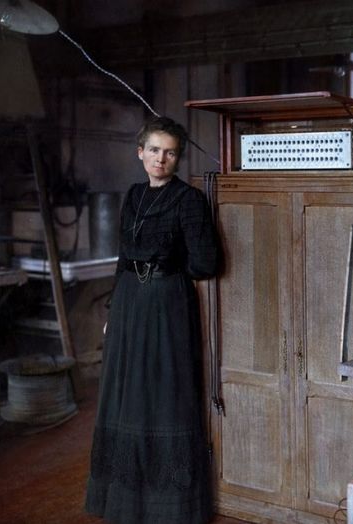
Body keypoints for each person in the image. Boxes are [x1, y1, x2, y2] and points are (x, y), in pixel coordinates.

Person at [85, 116, 220, 524]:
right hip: (129, 302)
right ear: (140, 152)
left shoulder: (189, 200)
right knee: (126, 393)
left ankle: (167, 508)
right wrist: (114, 312)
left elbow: (207, 263)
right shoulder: (133, 195)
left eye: (170, 152)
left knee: (163, 393)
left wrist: (165, 265)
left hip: (166, 303)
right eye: (155, 150)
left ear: (177, 158)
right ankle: (126, 500)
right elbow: (124, 259)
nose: (161, 159)